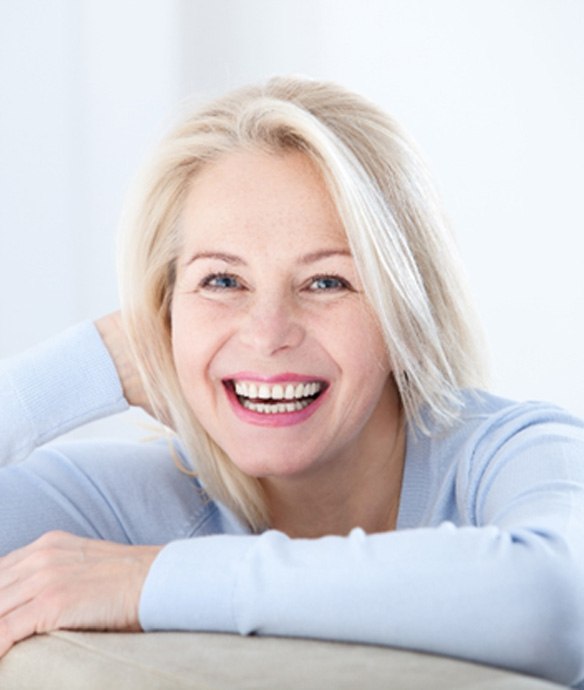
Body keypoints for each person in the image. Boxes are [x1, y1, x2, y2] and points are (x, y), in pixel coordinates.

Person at [1, 76, 583, 687]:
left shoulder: (515, 449)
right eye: (222, 281)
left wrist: (149, 580)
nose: (268, 332)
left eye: (327, 282)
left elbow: (555, 599)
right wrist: (94, 362)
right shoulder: (143, 499)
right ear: (167, 308)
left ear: (403, 310)